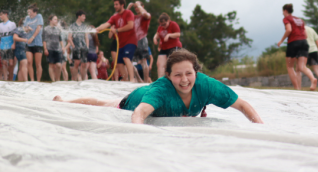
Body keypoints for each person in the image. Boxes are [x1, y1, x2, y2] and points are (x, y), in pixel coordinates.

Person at [53, 49, 264, 124]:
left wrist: (262, 128)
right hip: (136, 99)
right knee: (104, 104)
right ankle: (65, 102)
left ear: (196, 72)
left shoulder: (207, 85)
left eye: (189, 74)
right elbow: (139, 114)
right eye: (178, 75)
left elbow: (243, 105)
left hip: (155, 102)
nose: (184, 80)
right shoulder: (162, 89)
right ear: (168, 76)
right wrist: (140, 134)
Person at [96, 0, 137, 82]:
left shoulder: (129, 13)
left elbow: (130, 26)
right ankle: (125, 79)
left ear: (122, 5)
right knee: (118, 63)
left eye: (116, 4)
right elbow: (106, 24)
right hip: (121, 43)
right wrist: (97, 29)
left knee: (126, 58)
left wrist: (117, 30)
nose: (115, 6)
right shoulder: (114, 17)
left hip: (130, 41)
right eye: (114, 4)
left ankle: (132, 79)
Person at [277, 4, 317, 90]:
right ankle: (313, 79)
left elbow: (289, 29)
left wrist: (281, 41)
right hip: (304, 42)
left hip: (294, 43)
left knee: (290, 67)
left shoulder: (286, 19)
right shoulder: (300, 20)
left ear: (285, 11)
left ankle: (297, 88)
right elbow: (305, 35)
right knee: (302, 66)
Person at [128, 1, 152, 83]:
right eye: (135, 8)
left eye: (137, 7)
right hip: (133, 40)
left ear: (142, 6)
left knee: (144, 61)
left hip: (142, 39)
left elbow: (146, 15)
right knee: (129, 61)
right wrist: (128, 8)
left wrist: (139, 5)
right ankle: (139, 79)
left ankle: (145, 81)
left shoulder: (145, 16)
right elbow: (125, 18)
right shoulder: (133, 17)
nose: (136, 8)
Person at [154, 13, 182, 78]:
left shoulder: (173, 24)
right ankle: (160, 80)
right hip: (164, 47)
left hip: (174, 46)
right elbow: (157, 34)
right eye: (161, 25)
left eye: (164, 24)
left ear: (168, 21)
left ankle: (174, 79)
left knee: (172, 64)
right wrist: (155, 38)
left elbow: (178, 34)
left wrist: (169, 35)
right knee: (160, 64)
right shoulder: (160, 27)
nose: (163, 26)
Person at [24, 3, 44, 81]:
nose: (29, 14)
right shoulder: (27, 18)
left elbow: (39, 28)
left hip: (37, 43)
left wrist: (32, 37)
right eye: (28, 12)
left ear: (35, 12)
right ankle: (32, 80)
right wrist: (27, 29)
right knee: (29, 62)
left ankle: (38, 80)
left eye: (30, 12)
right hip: (28, 43)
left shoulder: (39, 16)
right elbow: (25, 28)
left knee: (38, 63)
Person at [43, 15, 66, 82]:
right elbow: (44, 40)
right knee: (51, 65)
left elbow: (60, 39)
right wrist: (45, 49)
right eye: (55, 19)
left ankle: (58, 79)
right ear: (51, 20)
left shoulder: (58, 29)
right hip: (50, 48)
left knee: (59, 65)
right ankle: (53, 80)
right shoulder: (46, 29)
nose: (56, 21)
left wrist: (63, 47)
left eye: (57, 19)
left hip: (58, 49)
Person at [69, 10, 90, 81]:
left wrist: (87, 46)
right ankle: (74, 79)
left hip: (83, 47)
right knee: (76, 64)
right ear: (79, 16)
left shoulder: (84, 26)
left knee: (84, 64)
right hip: (76, 47)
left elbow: (86, 37)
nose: (85, 18)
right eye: (83, 16)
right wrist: (73, 45)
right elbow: (69, 37)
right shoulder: (72, 26)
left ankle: (84, 80)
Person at [0, 10, 17, 81]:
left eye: (1, 15)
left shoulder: (12, 24)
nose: (0, 16)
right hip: (2, 46)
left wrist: (14, 43)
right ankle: (6, 80)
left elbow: (15, 35)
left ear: (6, 14)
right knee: (4, 63)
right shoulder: (0, 25)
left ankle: (10, 78)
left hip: (10, 46)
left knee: (11, 63)